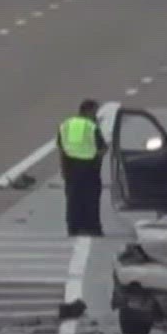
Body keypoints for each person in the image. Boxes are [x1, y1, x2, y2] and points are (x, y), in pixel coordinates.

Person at [58, 99, 109, 237]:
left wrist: (63, 169)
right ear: (88, 110)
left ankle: (73, 228)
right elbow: (102, 148)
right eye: (95, 111)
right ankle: (92, 228)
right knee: (91, 199)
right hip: (89, 169)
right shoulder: (91, 126)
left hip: (71, 169)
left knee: (73, 199)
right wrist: (98, 156)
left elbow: (62, 149)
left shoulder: (66, 125)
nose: (96, 115)